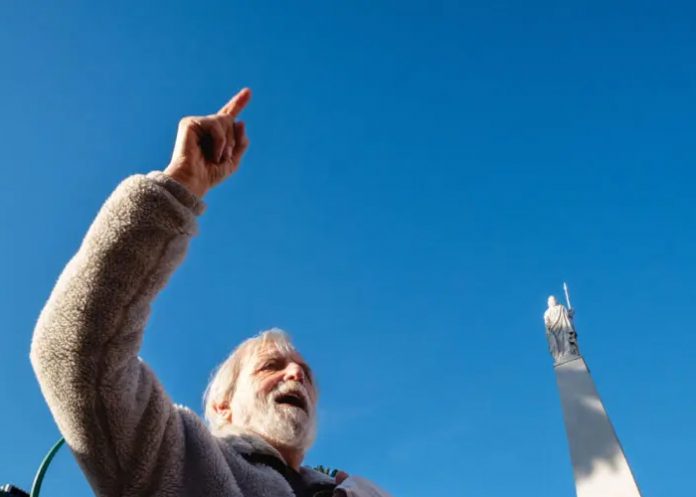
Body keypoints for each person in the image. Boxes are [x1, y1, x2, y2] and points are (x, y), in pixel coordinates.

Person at [30, 88, 391, 497]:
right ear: (223, 406)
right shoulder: (184, 461)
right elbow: (77, 351)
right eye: (271, 366)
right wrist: (180, 185)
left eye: (305, 374)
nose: (296, 375)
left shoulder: (354, 491)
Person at [543, 295, 579, 364]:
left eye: (553, 300)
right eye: (551, 301)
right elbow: (547, 321)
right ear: (548, 303)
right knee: (558, 342)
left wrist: (570, 313)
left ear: (556, 301)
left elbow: (567, 316)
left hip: (564, 326)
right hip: (555, 329)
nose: (552, 302)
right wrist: (548, 326)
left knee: (566, 338)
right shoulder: (547, 312)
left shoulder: (561, 307)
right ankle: (561, 354)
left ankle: (569, 352)